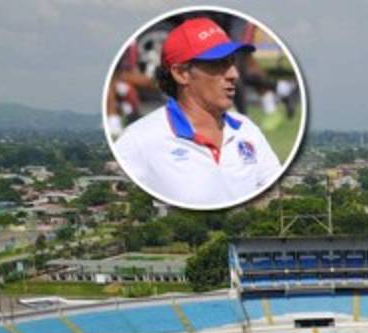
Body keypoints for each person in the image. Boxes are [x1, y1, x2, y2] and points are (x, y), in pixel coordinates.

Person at [112, 17, 282, 208]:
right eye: (218, 64)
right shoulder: (140, 139)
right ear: (181, 74)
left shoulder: (247, 129)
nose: (234, 73)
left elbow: (275, 192)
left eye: (232, 62)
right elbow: (112, 191)